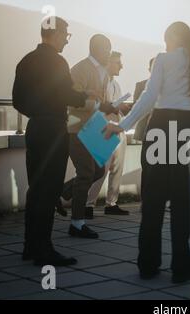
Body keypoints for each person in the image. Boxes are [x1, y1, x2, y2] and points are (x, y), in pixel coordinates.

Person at [103, 21, 190, 283]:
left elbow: (149, 97)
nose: (164, 44)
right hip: (188, 130)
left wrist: (122, 126)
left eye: (166, 39)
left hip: (161, 127)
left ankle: (148, 264)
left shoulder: (163, 60)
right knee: (182, 202)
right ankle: (181, 267)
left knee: (152, 200)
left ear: (171, 39)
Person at [12, 17, 94, 266]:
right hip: (54, 130)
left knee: (36, 188)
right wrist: (85, 96)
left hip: (35, 128)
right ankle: (43, 250)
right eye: (66, 35)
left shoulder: (26, 60)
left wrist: (37, 113)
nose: (66, 40)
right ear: (55, 33)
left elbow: (17, 100)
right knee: (49, 191)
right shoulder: (57, 62)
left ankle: (30, 245)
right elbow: (66, 94)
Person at [62, 34, 123, 240]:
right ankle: (77, 224)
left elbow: (102, 102)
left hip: (95, 127)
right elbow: (72, 101)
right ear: (97, 48)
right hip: (77, 128)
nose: (109, 53)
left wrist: (113, 106)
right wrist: (99, 105)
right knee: (87, 172)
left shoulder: (104, 73)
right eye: (107, 49)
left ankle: (64, 190)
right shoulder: (79, 70)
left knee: (98, 170)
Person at [86, 51, 131, 216]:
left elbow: (115, 107)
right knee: (101, 168)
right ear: (109, 63)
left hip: (117, 128)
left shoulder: (116, 85)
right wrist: (117, 107)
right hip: (102, 130)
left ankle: (111, 203)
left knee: (117, 168)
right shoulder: (100, 83)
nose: (121, 66)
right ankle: (88, 205)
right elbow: (98, 106)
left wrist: (123, 110)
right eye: (118, 62)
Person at [133, 57, 155, 197]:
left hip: (165, 131)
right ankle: (146, 198)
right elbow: (137, 107)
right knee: (147, 166)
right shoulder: (141, 85)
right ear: (149, 69)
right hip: (146, 131)